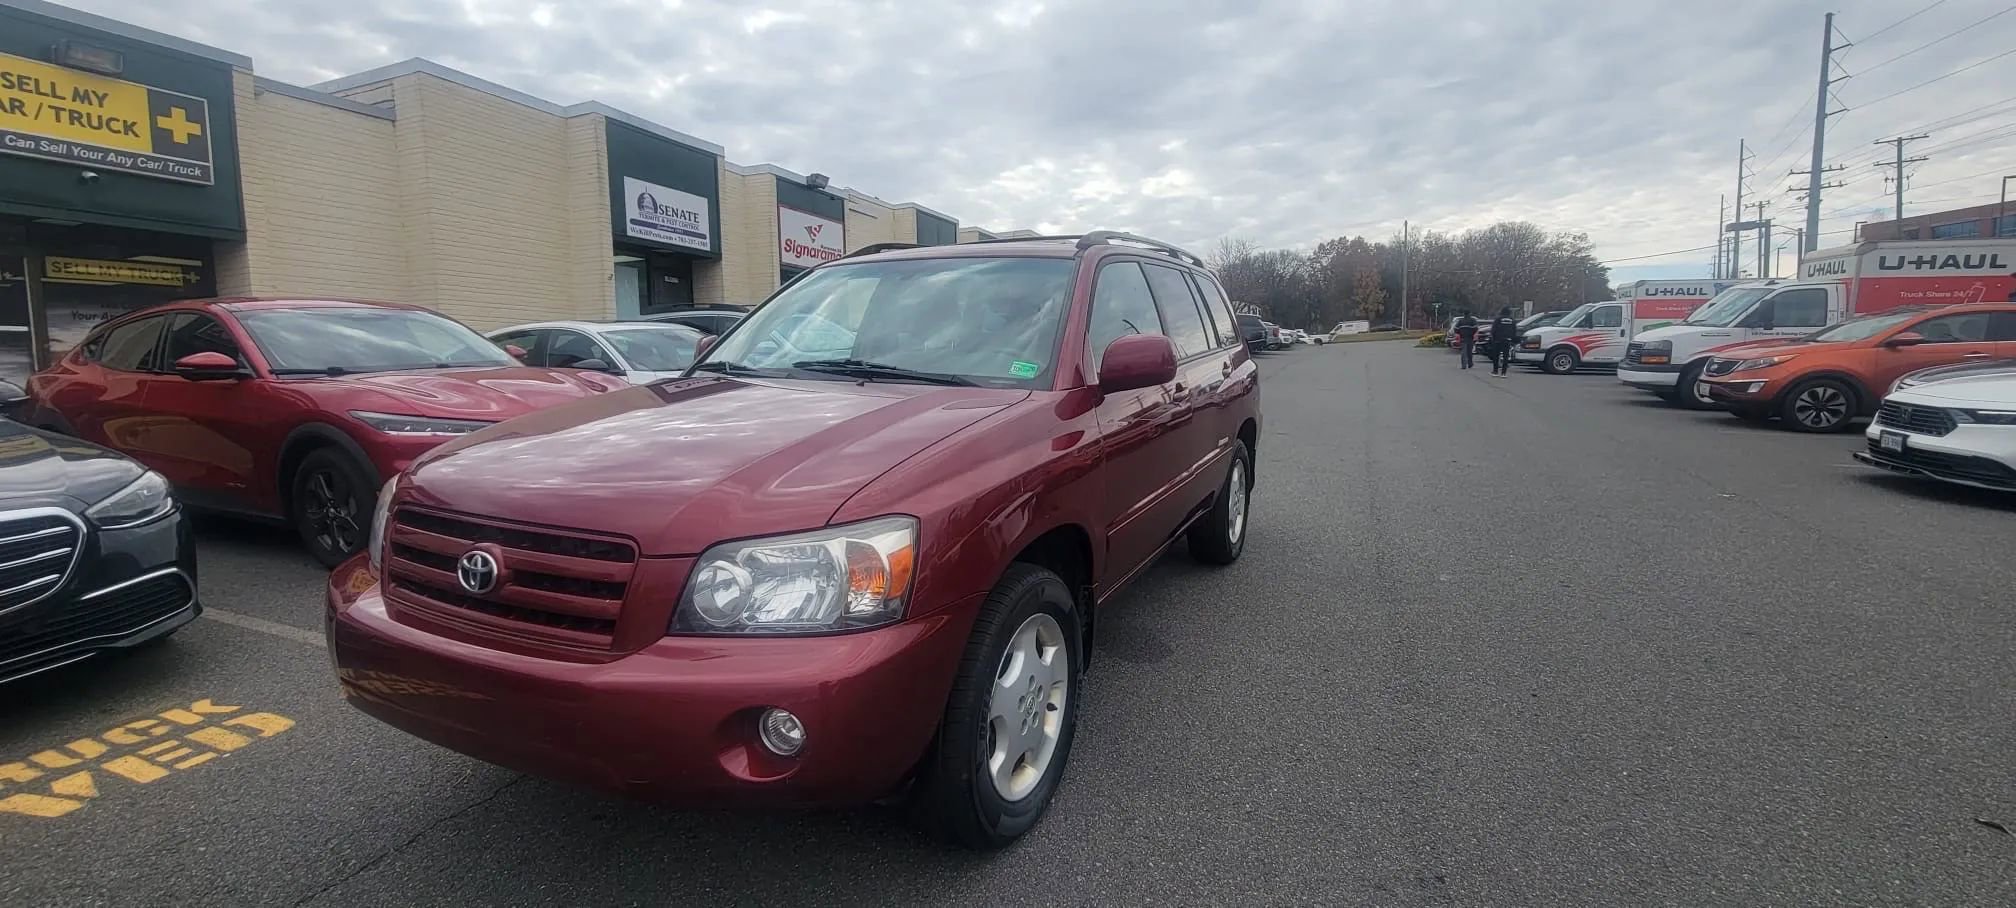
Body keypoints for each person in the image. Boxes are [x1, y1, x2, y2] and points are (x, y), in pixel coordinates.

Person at [1488, 306, 1518, 376]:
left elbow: (1493, 329)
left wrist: (1493, 337)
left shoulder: (1498, 319)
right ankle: (1504, 373)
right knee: (1505, 357)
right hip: (1507, 340)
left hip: (1498, 340)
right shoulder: (1512, 320)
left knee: (1496, 356)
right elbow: (1514, 330)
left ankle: (1495, 371)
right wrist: (1512, 338)